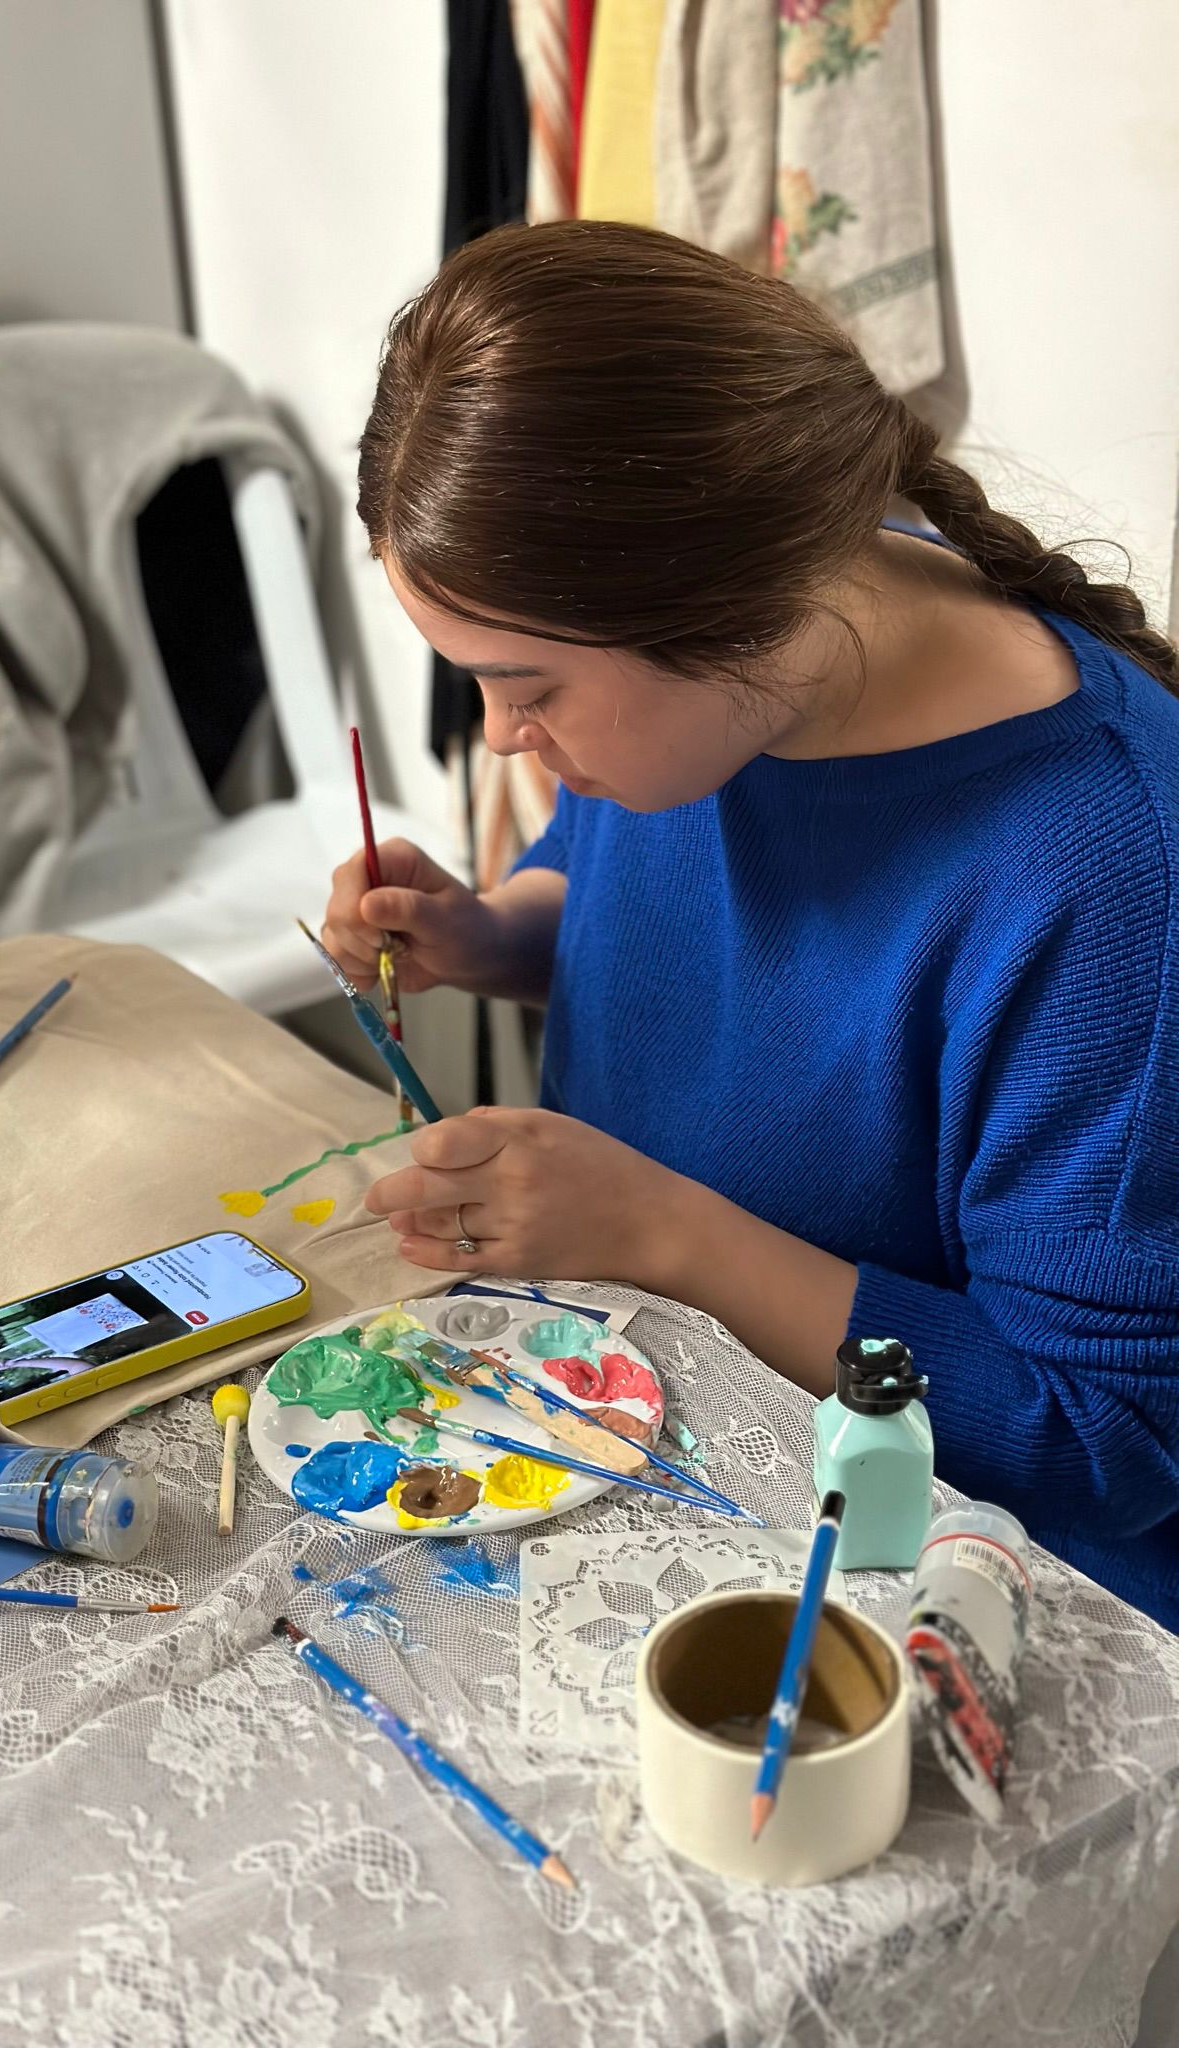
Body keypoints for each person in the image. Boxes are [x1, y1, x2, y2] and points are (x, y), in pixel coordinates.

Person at [322, 221, 1179, 1631]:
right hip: (633, 1404)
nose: (501, 738)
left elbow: (1103, 1442)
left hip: (947, 1570)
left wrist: (662, 1231)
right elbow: (625, 894)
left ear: (724, 616)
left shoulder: (1108, 878)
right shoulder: (742, 671)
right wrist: (491, 936)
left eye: (526, 686)